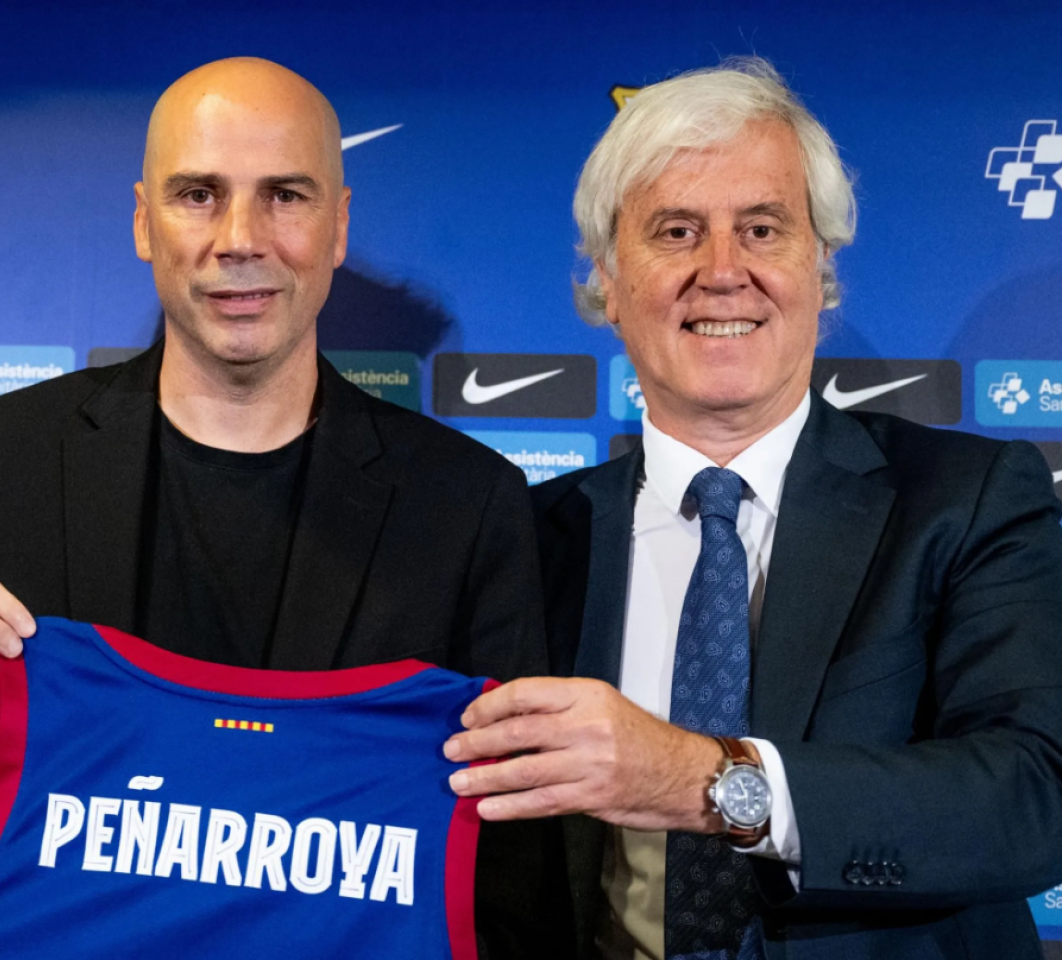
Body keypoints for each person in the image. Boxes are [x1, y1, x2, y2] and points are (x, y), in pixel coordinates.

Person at [0, 57, 555, 954]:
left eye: (285, 195)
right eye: (198, 194)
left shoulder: (468, 505)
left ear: (339, 225)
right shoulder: (2, 457)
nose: (240, 237)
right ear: (141, 221)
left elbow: (510, 879)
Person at [443, 57, 1062, 958]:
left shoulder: (966, 500)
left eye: (763, 229)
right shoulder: (522, 540)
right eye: (676, 231)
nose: (722, 270)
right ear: (609, 284)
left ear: (822, 269)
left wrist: (702, 780)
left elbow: (1035, 794)